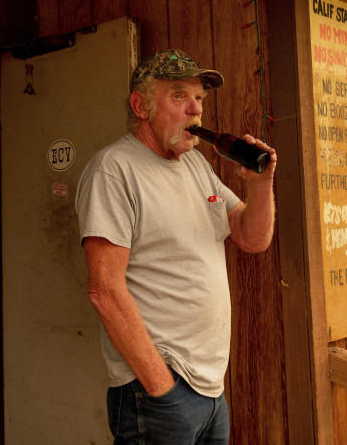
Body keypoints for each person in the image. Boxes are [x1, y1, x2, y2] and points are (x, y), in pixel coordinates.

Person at [75, 48, 277, 444]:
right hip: (158, 390)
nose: (195, 111)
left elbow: (252, 237)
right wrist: (161, 387)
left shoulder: (196, 165)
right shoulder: (114, 170)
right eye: (178, 96)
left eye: (199, 98)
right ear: (141, 105)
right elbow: (104, 290)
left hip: (210, 389)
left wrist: (260, 184)